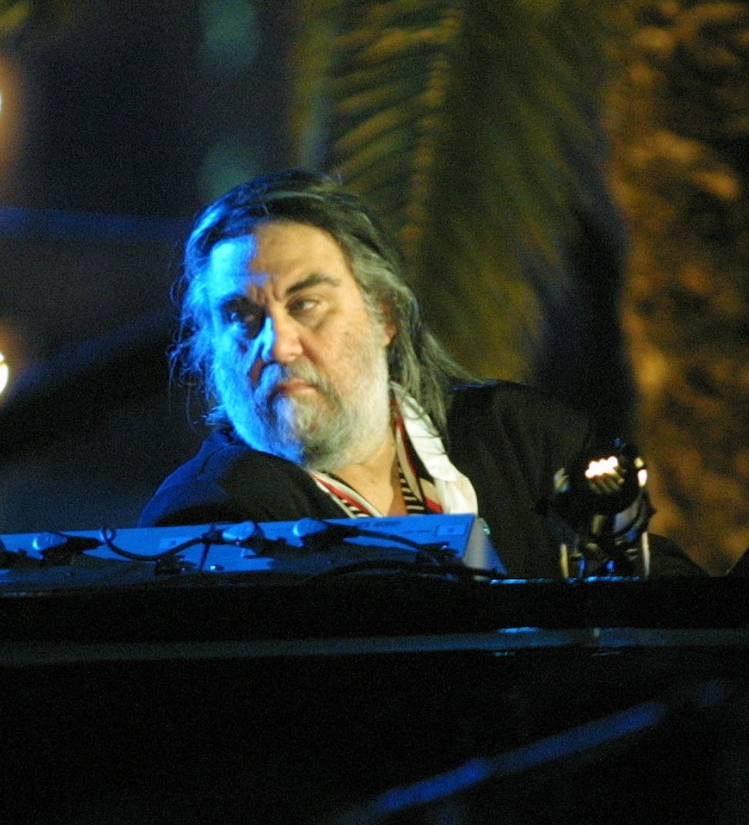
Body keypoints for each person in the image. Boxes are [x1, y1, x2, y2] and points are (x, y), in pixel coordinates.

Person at [139, 169, 702, 579]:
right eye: (242, 318)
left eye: (306, 304)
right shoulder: (208, 514)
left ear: (385, 315)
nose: (279, 344)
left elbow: (666, 600)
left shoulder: (522, 437)